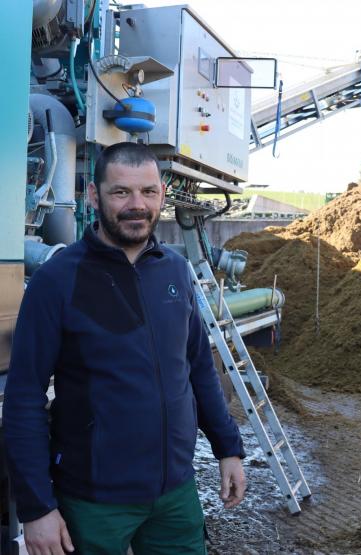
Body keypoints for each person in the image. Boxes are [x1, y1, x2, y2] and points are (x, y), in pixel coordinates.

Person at [3, 142, 246, 555]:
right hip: (93, 501)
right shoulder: (59, 280)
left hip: (175, 496)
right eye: (121, 192)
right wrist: (37, 508)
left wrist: (228, 449)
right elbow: (24, 398)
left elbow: (198, 367)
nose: (137, 205)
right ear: (94, 196)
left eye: (148, 192)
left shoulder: (174, 269)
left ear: (162, 195)